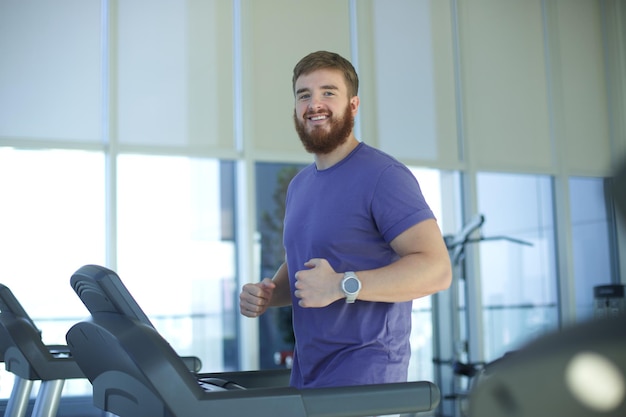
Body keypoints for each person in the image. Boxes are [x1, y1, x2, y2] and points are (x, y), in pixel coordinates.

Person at [239, 50, 452, 389]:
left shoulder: (384, 175)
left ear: (353, 105)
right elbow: (310, 266)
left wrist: (342, 285)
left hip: (366, 380)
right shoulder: (300, 186)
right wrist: (270, 292)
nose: (314, 103)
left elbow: (437, 269)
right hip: (308, 376)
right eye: (304, 95)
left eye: (328, 92)